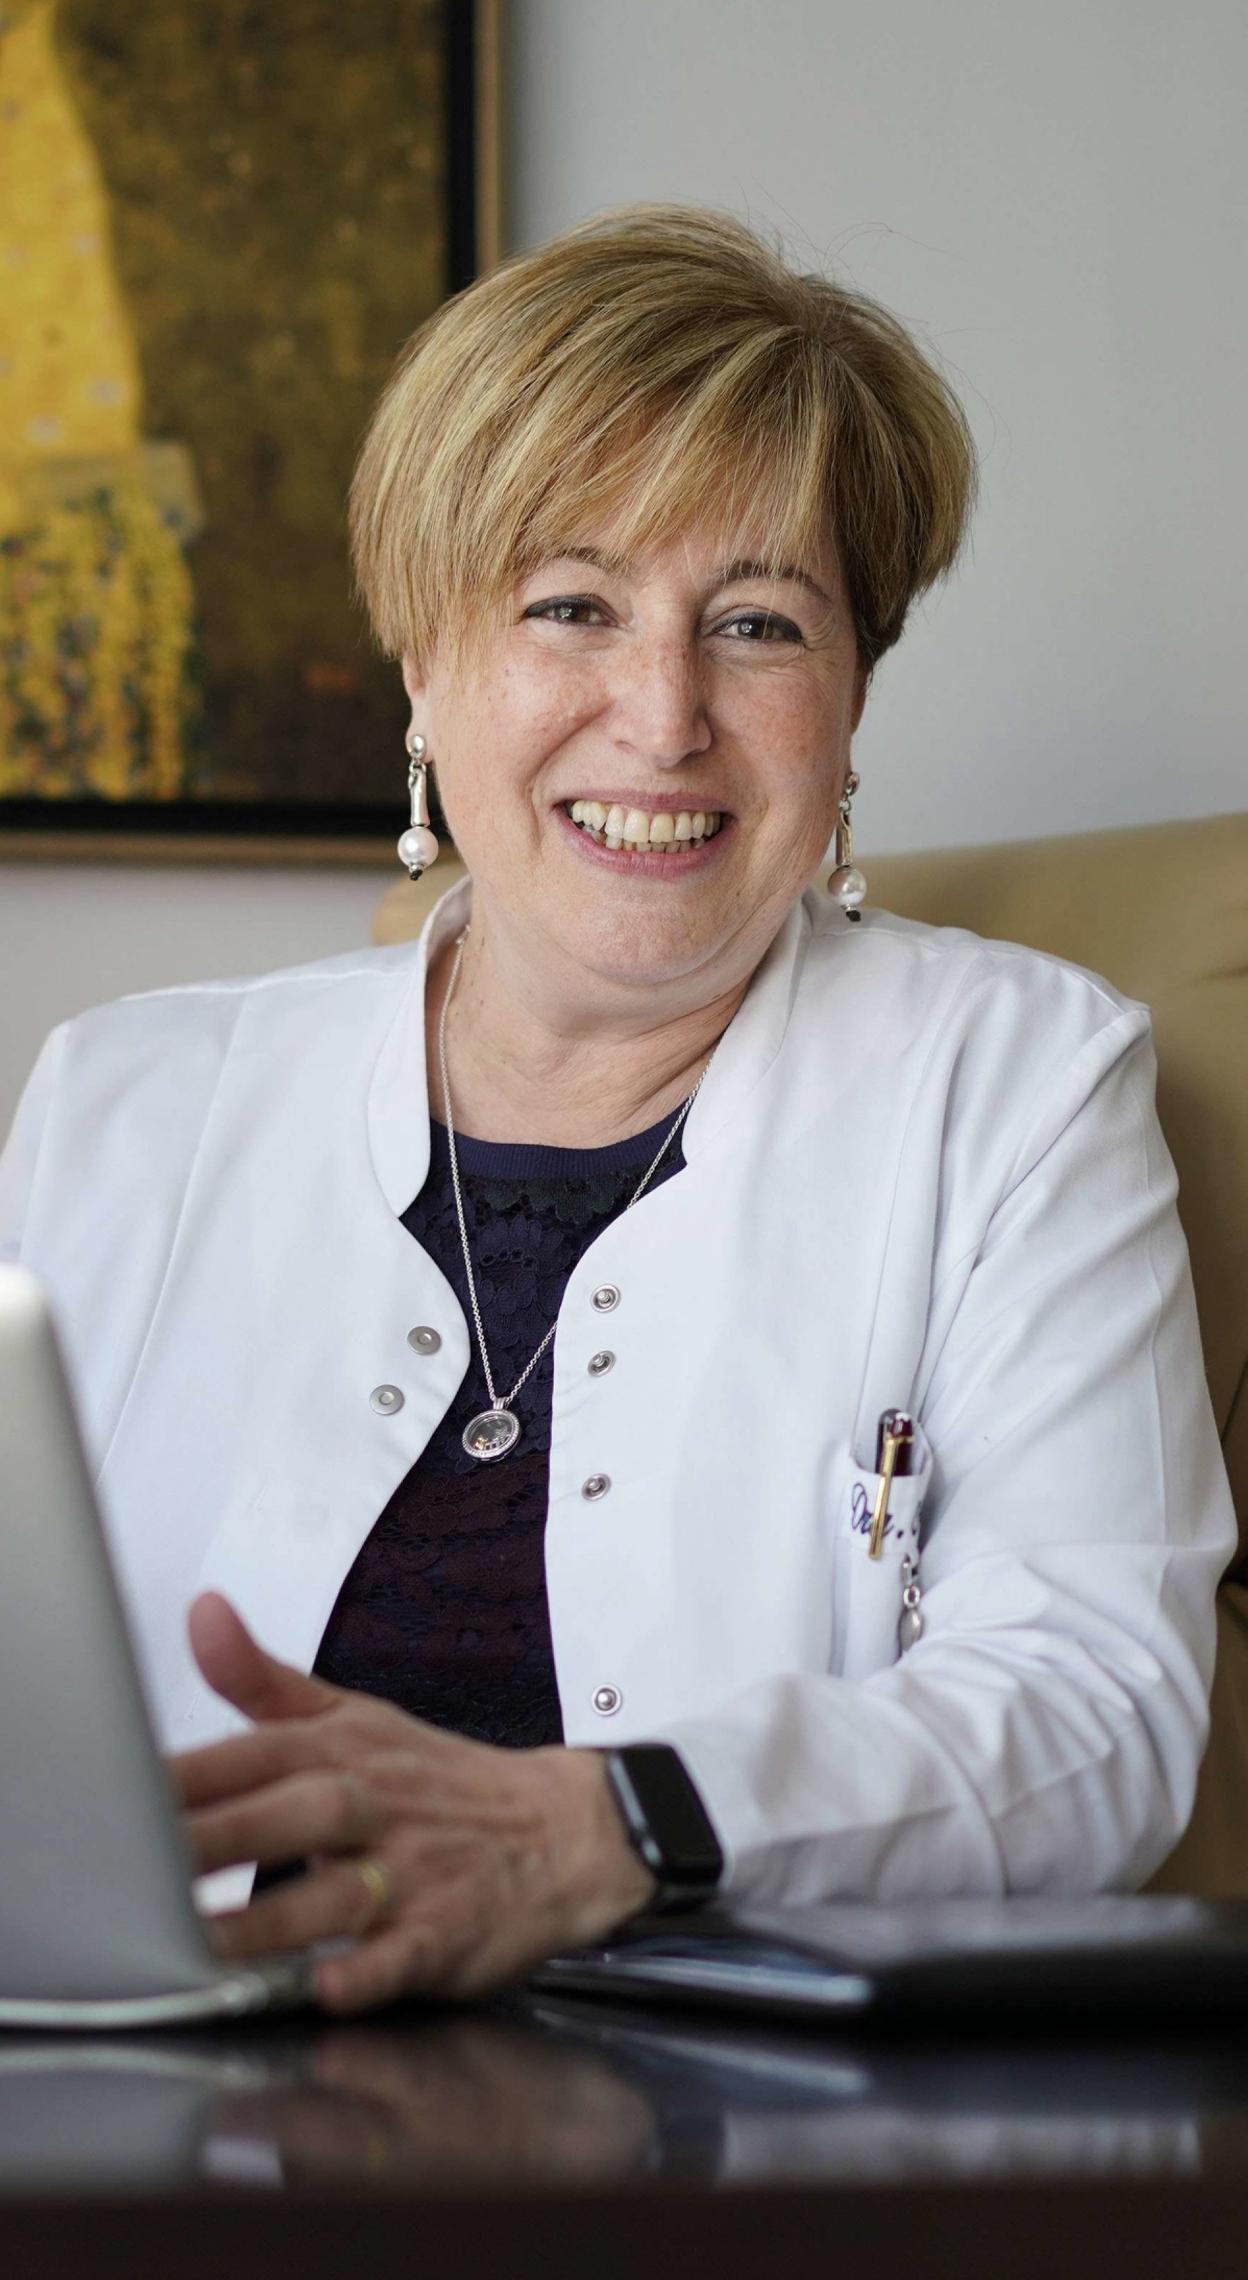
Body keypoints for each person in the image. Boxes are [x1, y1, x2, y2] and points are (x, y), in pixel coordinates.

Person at [0, 205, 1234, 2014]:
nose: (663, 717)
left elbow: (1096, 1712)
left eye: (758, 623)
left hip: (727, 2121)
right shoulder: (126, 1102)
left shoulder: (1018, 1084)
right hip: (151, 2078)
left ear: (852, 703)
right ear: (424, 664)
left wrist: (622, 1825)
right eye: (570, 606)